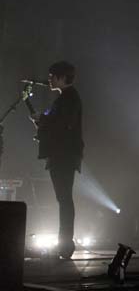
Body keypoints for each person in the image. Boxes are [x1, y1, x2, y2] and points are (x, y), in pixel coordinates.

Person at [32, 61, 84, 259]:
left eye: (52, 75)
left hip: (64, 155)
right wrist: (42, 121)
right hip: (62, 154)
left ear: (63, 77)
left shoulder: (69, 99)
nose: (49, 79)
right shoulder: (65, 99)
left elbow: (62, 125)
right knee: (63, 199)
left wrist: (42, 120)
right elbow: (57, 124)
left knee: (64, 199)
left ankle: (65, 245)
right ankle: (64, 244)